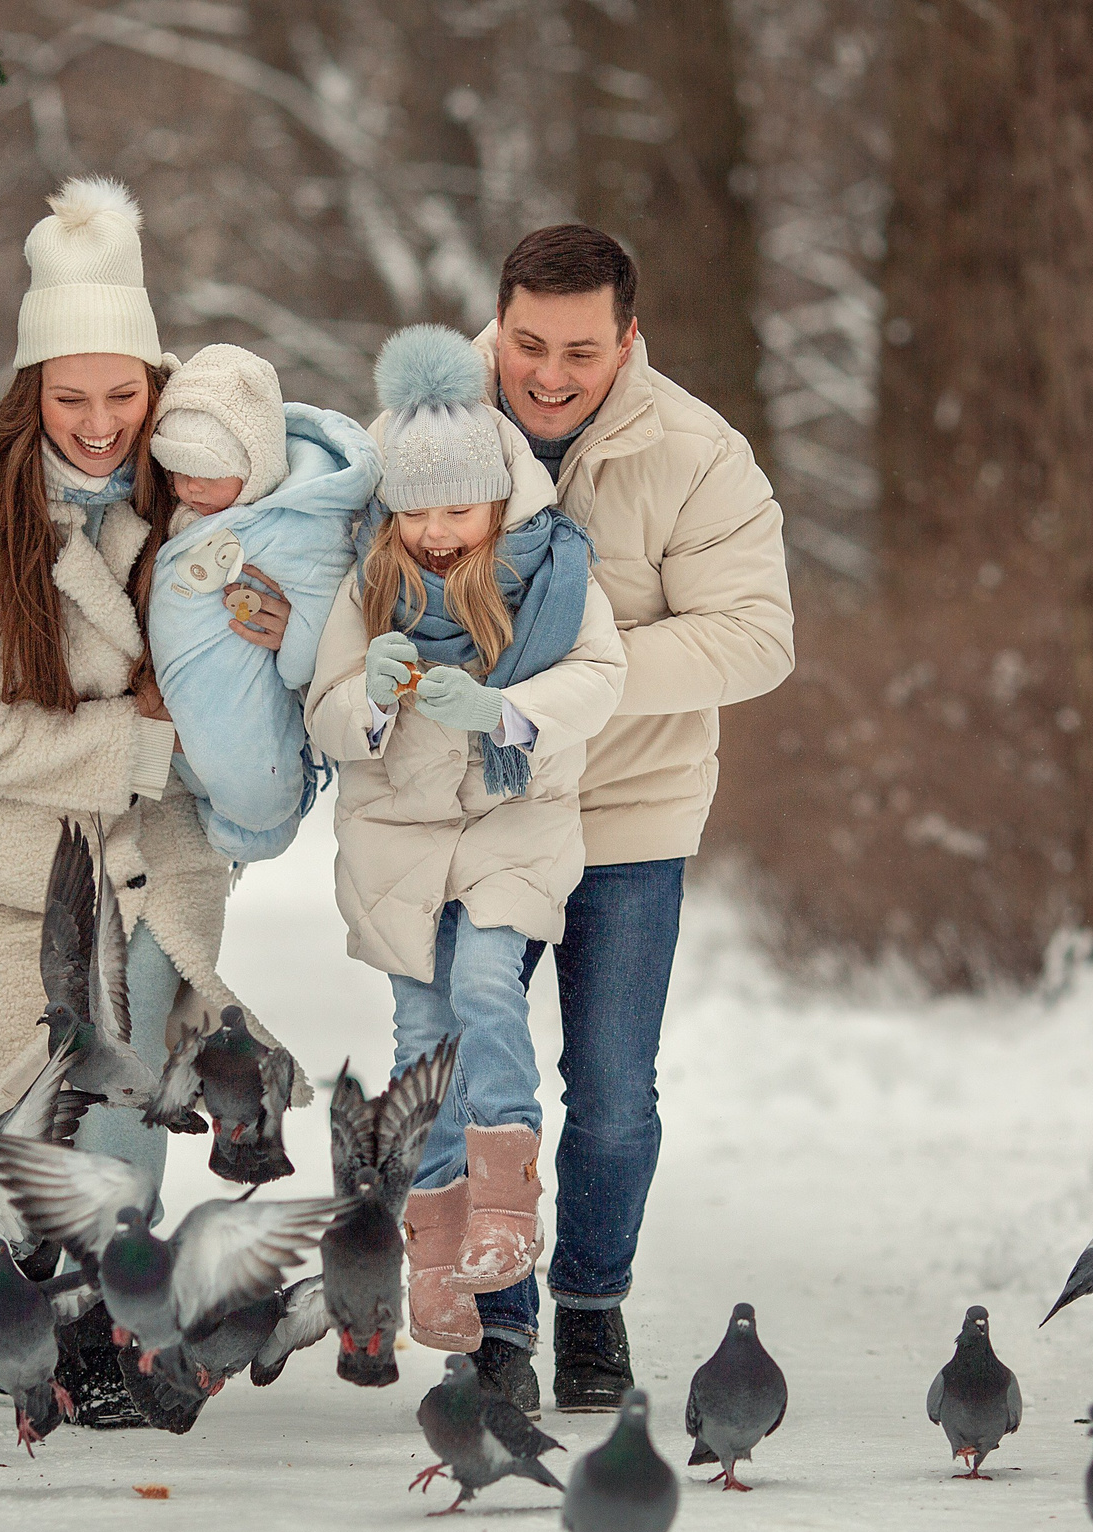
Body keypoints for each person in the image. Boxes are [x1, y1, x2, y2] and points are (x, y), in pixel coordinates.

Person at [0, 177, 298, 1426]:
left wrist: (277, 639)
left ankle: (94, 1346)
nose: (101, 424)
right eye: (71, 398)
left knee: (120, 1120)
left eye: (125, 395)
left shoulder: (189, 505)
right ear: (31, 395)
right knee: (3, 1144)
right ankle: (9, 1303)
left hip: (148, 872)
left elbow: (250, 670)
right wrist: (126, 738)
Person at [460, 224, 796, 1413]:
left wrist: (568, 677)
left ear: (629, 342)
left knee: (609, 1095)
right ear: (496, 325)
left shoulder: (698, 453)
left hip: (630, 812)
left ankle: (590, 1311)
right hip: (483, 811)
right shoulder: (434, 433)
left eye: (581, 352)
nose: (548, 375)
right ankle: (495, 1325)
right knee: (477, 1078)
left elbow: (756, 638)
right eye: (528, 344)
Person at [304, 325, 626, 1407]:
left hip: (509, 826)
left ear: (497, 500)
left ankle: (503, 1208)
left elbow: (601, 678)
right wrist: (372, 698)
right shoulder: (369, 584)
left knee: (487, 985)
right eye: (418, 510)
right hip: (398, 846)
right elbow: (326, 720)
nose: (437, 532)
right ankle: (433, 1252)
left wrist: (506, 710)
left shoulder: (552, 574)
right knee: (420, 1036)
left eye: (457, 508)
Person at [145, 343, 382, 862]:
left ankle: (256, 822)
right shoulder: (191, 504)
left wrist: (294, 646)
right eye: (176, 470)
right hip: (168, 725)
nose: (189, 487)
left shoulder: (304, 521)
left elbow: (317, 621)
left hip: (239, 691)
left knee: (246, 774)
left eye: (207, 470)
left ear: (256, 463)